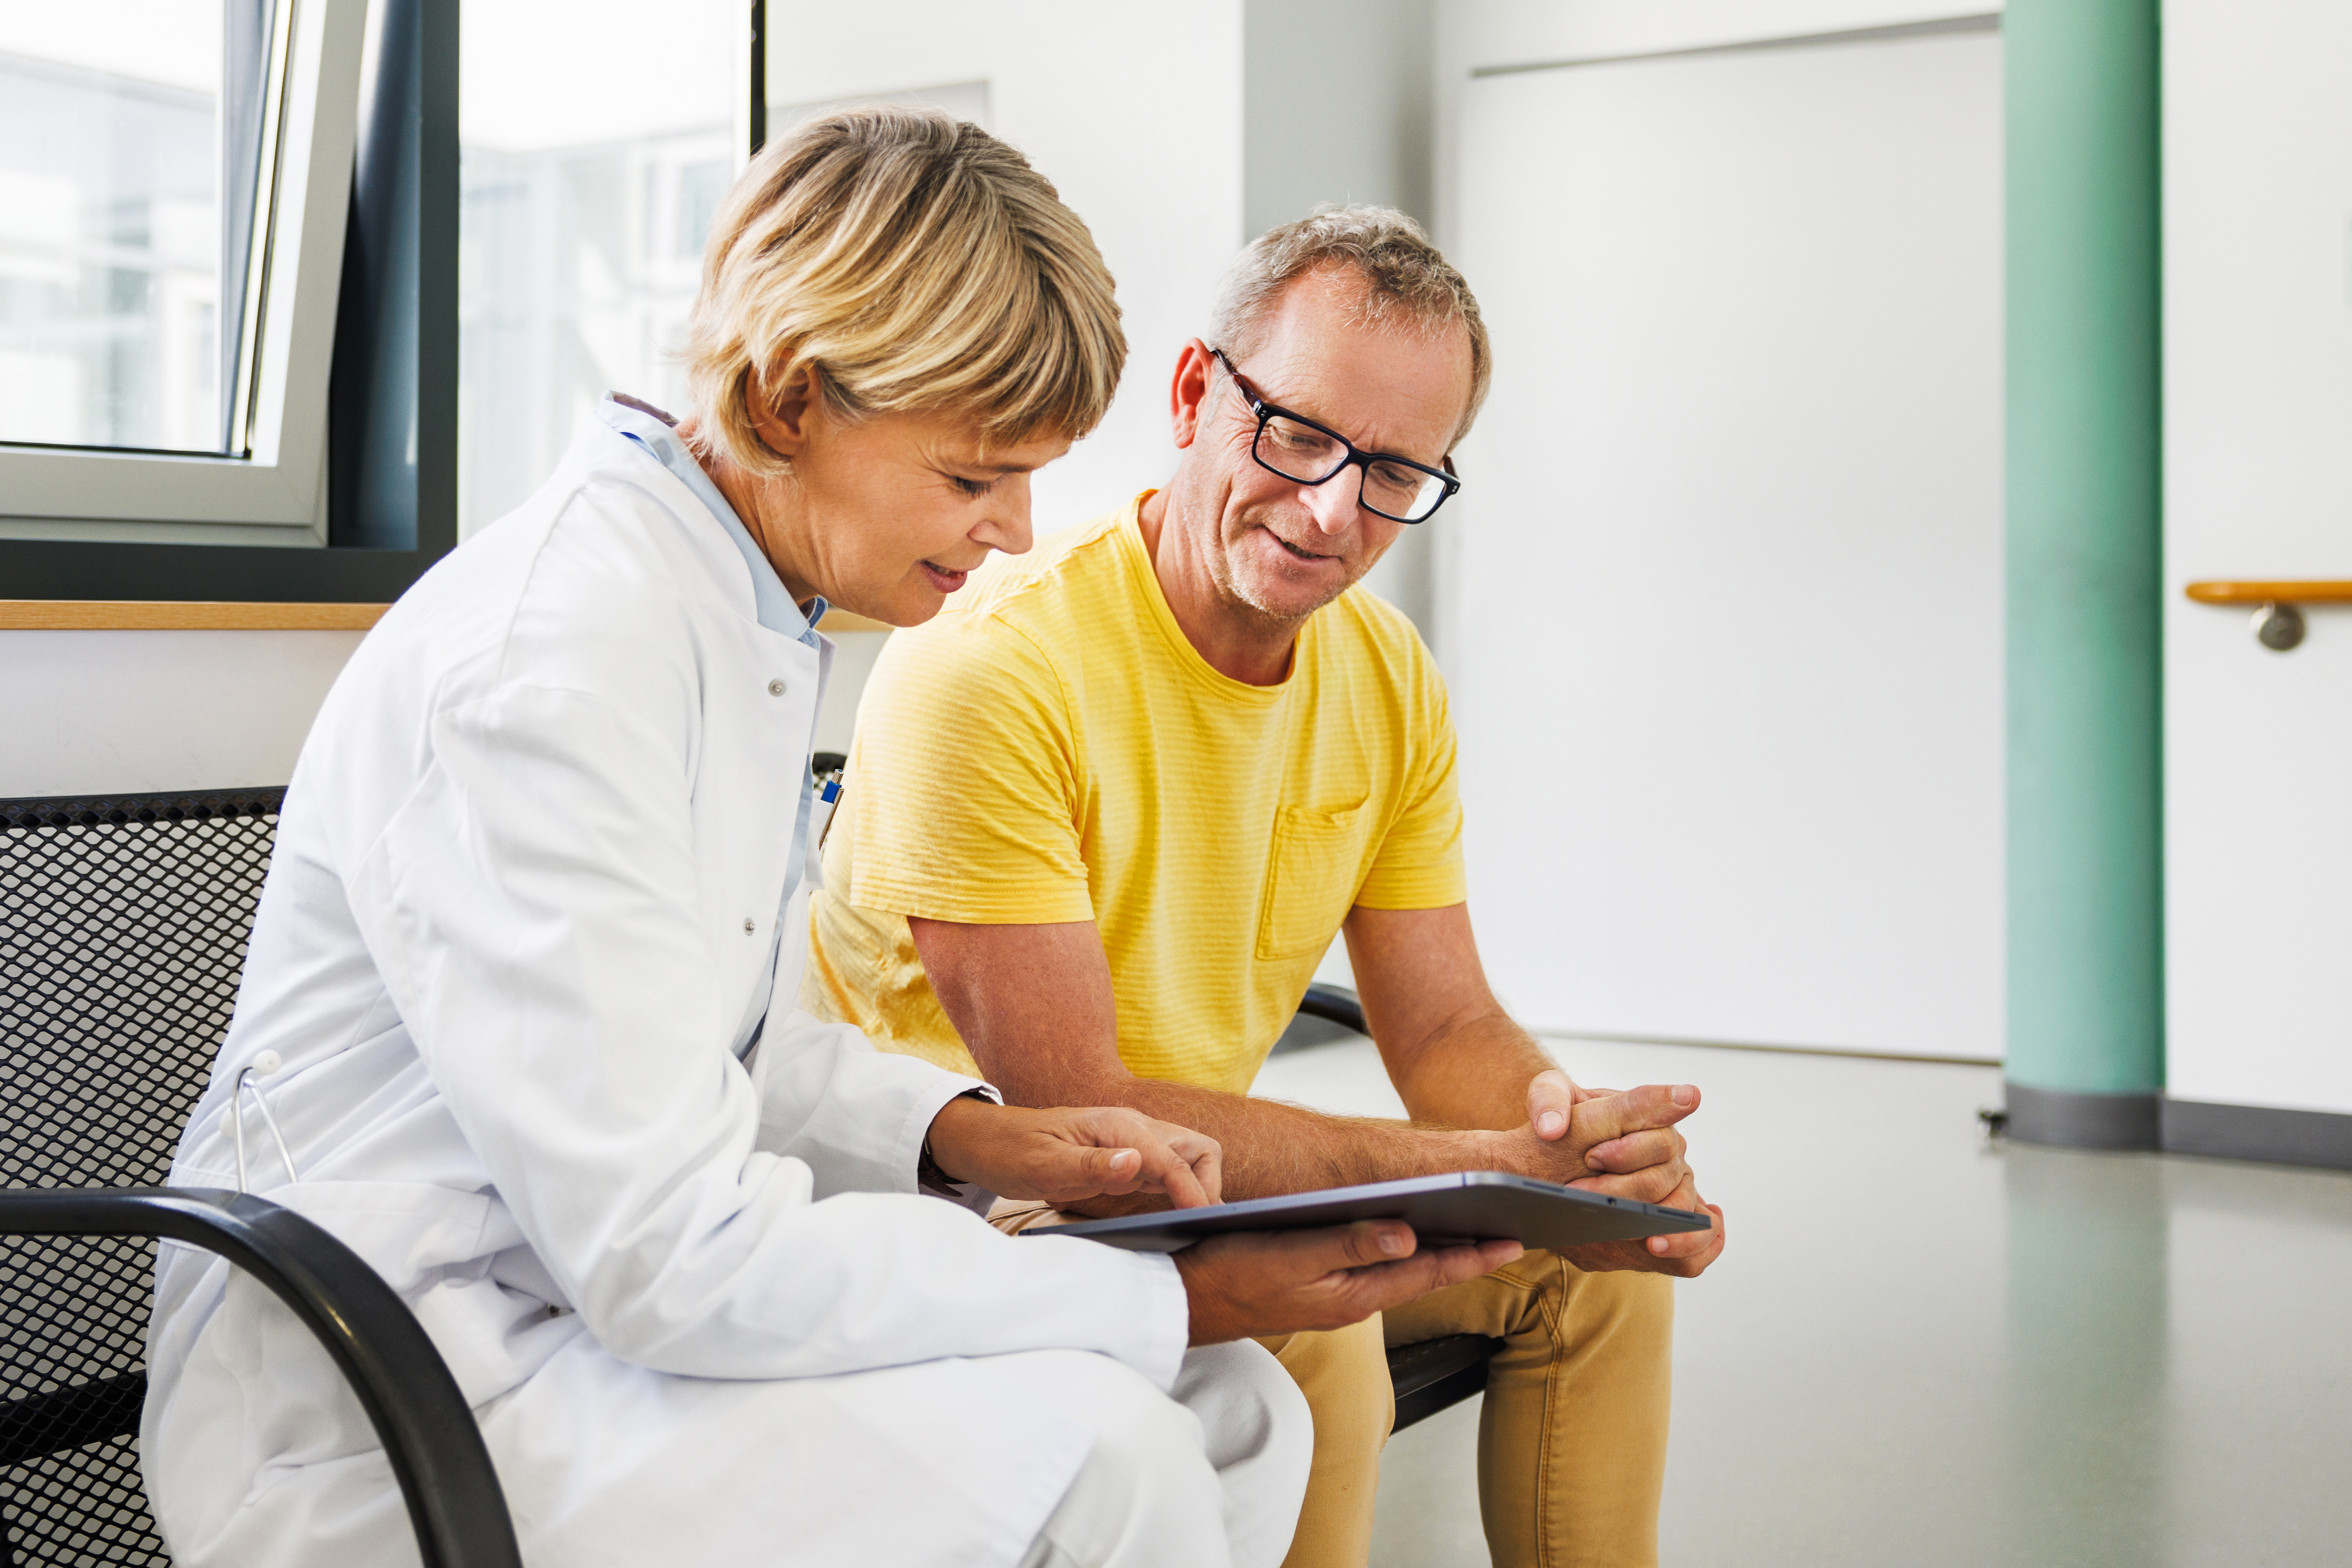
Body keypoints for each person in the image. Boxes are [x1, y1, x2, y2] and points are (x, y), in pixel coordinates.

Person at [140, 118, 1520, 1568]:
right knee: (1110, 1454)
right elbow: (671, 1255)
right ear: (796, 398)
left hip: (563, 1306)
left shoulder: (732, 611)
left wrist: (960, 1131)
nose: (1016, 528)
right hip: (395, 1386)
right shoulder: (553, 662)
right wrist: (1180, 1293)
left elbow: (708, 1039)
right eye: (976, 476)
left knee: (1237, 1409)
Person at [805, 205, 1730, 1568]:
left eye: (1398, 474)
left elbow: (1445, 1029)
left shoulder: (1386, 674)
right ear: (1196, 395)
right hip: (985, 1206)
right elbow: (1083, 1121)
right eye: (1299, 435)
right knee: (1323, 1323)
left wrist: (1574, 1152)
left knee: (1594, 1280)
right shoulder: (991, 668)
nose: (1332, 511)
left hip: (1212, 1185)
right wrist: (1474, 1164)